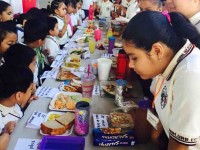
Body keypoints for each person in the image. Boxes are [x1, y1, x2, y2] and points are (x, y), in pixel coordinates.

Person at [122, 11, 200, 149]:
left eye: (134, 58)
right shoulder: (168, 62)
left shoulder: (190, 73)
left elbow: (180, 146)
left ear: (157, 51)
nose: (130, 65)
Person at [0, 66, 33, 150]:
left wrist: (26, 103)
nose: (32, 91)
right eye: (30, 89)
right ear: (19, 95)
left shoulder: (12, 102)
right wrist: (4, 132)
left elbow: (18, 111)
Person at [24, 18, 48, 85]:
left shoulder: (36, 47)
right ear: (39, 41)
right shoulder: (26, 55)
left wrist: (43, 55)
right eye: (45, 38)